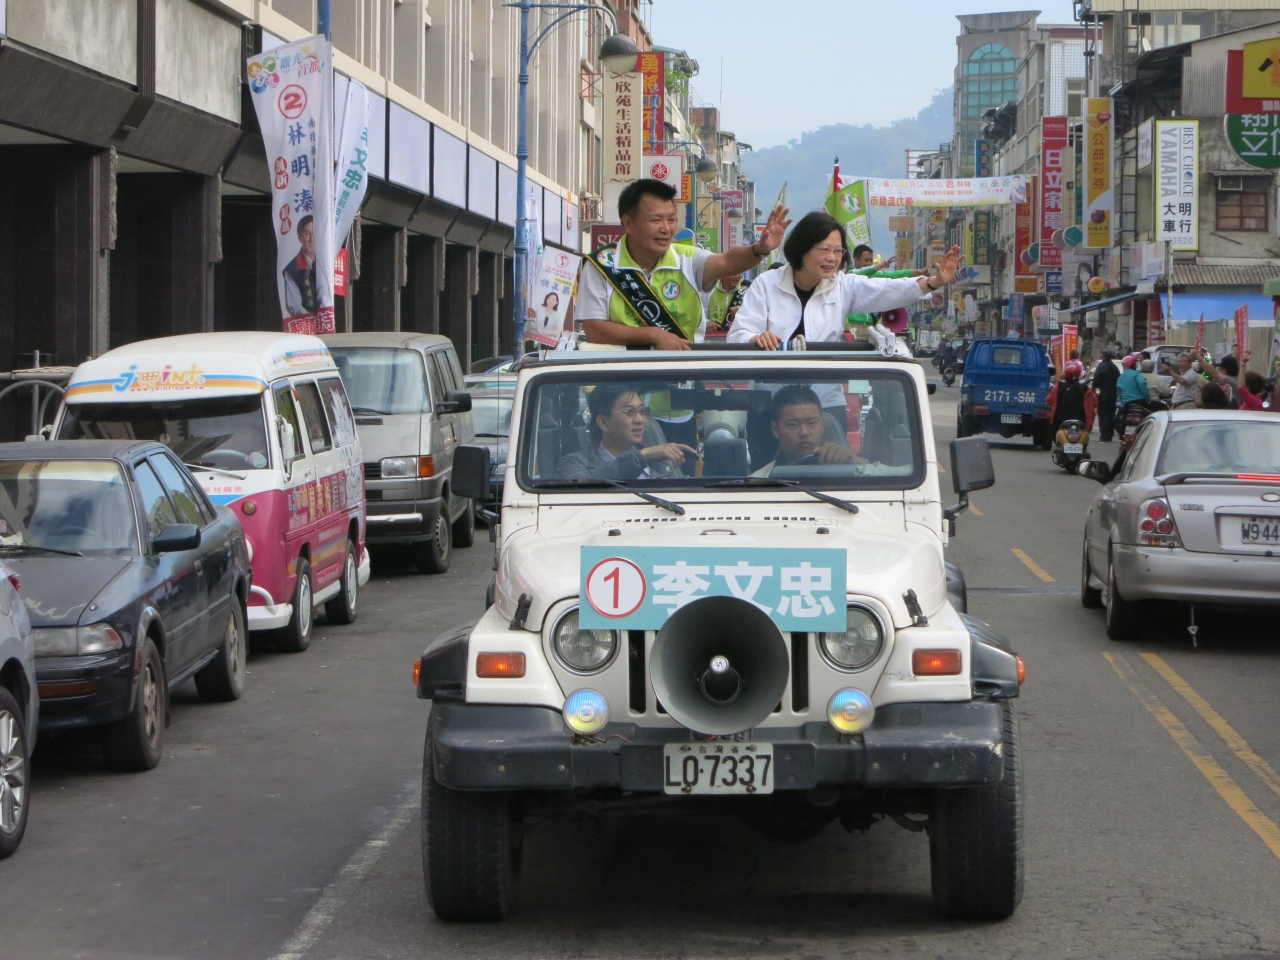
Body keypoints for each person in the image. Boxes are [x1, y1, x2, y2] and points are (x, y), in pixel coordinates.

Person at [577, 179, 790, 350]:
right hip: (623, 387)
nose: (666, 228)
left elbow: (727, 262)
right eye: (655, 220)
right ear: (628, 223)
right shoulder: (601, 265)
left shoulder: (686, 258)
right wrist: (654, 335)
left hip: (680, 381)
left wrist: (760, 248)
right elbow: (595, 329)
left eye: (671, 219)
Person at [728, 211, 958, 356]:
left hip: (825, 395)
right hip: (769, 389)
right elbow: (738, 335)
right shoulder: (766, 284)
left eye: (838, 251)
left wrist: (934, 282)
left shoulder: (843, 286)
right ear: (802, 248)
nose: (832, 258)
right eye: (824, 250)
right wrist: (755, 338)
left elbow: (888, 289)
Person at [555, 382, 695, 480]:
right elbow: (587, 486)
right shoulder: (575, 463)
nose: (639, 420)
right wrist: (640, 457)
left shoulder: (659, 463)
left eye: (642, 411)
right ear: (603, 422)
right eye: (629, 412)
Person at [752, 384, 861, 477]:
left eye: (812, 422)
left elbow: (876, 473)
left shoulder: (852, 471)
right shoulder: (759, 481)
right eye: (792, 424)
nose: (804, 432)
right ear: (775, 430)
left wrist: (853, 459)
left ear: (823, 425)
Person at [283, 214, 318, 317]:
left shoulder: (327, 261)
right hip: (308, 326)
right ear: (300, 238)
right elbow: (295, 307)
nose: (311, 239)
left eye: (314, 233)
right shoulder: (291, 271)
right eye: (307, 234)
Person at [1047, 360, 1096, 433]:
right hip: (1081, 421)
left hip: (1059, 421)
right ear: (1079, 374)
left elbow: (1049, 400)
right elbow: (1095, 402)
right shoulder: (1086, 389)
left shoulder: (1058, 387)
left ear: (1066, 374)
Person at [1092, 347, 1121, 441]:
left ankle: (1104, 435)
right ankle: (1109, 434)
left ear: (1103, 356)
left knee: (1103, 415)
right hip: (1113, 395)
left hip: (1103, 396)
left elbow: (1096, 381)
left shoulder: (1101, 366)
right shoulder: (1115, 368)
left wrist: (1094, 390)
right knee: (1111, 415)